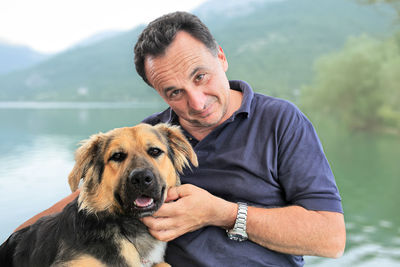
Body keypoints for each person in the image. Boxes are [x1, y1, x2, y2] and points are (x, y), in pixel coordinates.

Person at [13, 11, 345, 267]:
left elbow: (331, 239)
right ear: (158, 92)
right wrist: (12, 242)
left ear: (221, 58)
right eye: (175, 92)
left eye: (201, 76)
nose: (197, 102)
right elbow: (84, 200)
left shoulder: (281, 121)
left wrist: (221, 213)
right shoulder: (149, 137)